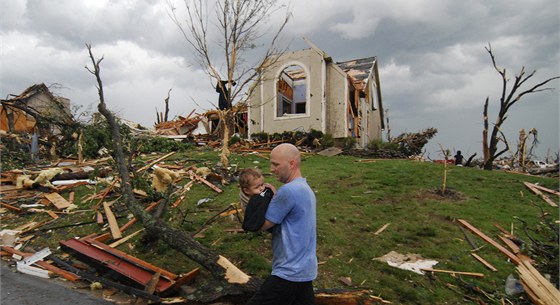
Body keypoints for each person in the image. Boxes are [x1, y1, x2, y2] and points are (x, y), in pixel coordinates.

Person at [246, 143, 317, 305]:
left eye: (276, 164)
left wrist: (256, 196)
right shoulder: (305, 188)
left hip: (289, 272)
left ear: (291, 164)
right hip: (305, 269)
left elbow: (258, 225)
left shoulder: (288, 191)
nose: (271, 169)